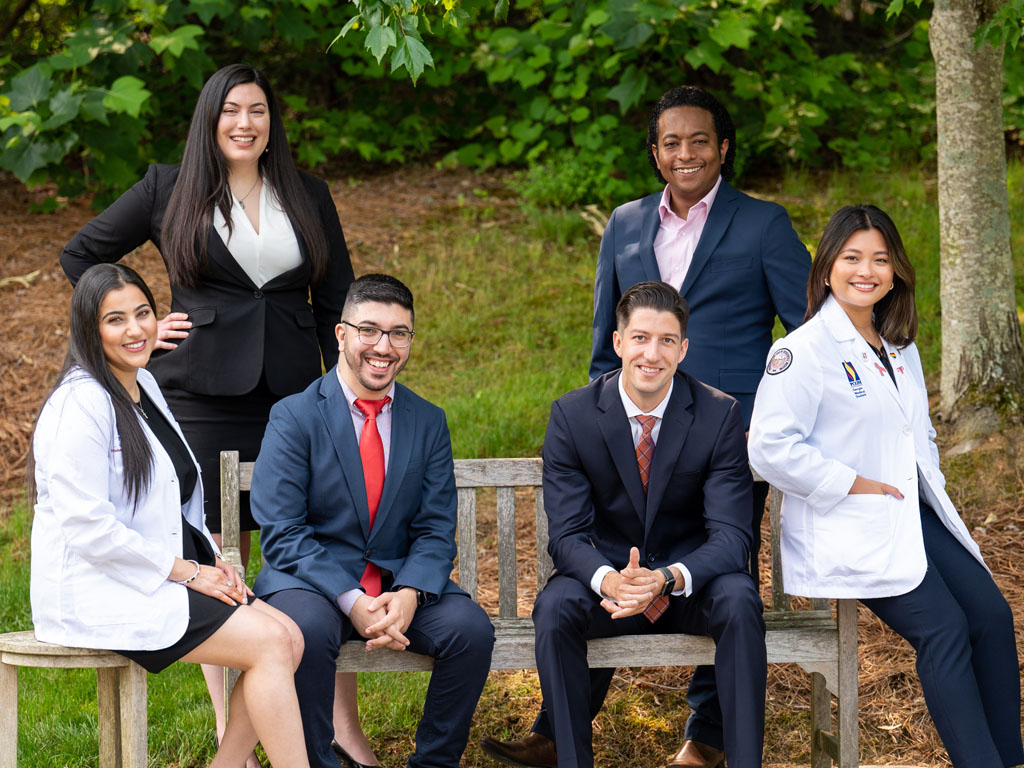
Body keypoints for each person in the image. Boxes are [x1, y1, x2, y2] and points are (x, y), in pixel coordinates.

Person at [486, 86, 809, 768]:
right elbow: (608, 341)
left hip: (725, 438)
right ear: (654, 152)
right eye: (671, 142)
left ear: (723, 148)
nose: (685, 153)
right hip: (631, 429)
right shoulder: (627, 222)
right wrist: (602, 416)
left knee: (720, 572)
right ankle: (558, 730)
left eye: (700, 140)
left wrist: (767, 422)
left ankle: (708, 738)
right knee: (616, 559)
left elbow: (804, 339)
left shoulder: (764, 224)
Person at [58, 63, 359, 765]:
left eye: (257, 110)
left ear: (271, 120)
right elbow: (85, 254)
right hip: (197, 397)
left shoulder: (309, 194)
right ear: (210, 119)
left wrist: (332, 386)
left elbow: (337, 299)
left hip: (290, 399)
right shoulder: (169, 186)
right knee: (218, 554)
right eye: (231, 111)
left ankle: (343, 729)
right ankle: (238, 733)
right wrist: (144, 323)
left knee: (307, 549)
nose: (245, 124)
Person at [748, 205, 1024, 768]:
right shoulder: (800, 352)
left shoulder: (899, 345)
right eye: (852, 258)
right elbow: (769, 447)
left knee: (992, 619)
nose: (866, 270)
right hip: (851, 522)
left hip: (911, 515)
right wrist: (852, 484)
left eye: (880, 258)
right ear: (826, 267)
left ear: (896, 270)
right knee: (944, 630)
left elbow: (917, 430)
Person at [29, 263, 309, 768]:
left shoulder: (145, 387)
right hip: (100, 588)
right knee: (270, 643)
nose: (135, 330)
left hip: (155, 573)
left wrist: (216, 560)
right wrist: (189, 573)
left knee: (290, 637)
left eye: (143, 313)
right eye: (115, 320)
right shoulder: (79, 404)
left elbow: (175, 502)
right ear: (88, 329)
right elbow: (90, 529)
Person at [485, 281, 766, 768]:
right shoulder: (573, 416)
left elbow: (732, 537)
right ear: (618, 343)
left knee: (740, 600)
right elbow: (568, 535)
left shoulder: (719, 415)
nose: (651, 353)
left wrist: (665, 578)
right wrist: (610, 579)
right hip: (609, 588)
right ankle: (567, 756)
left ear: (683, 348)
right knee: (555, 607)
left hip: (687, 588)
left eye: (665, 340)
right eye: (639, 338)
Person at [250, 273, 495, 768]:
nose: (383, 346)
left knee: (471, 630)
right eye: (370, 330)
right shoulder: (294, 416)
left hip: (396, 585)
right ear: (341, 334)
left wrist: (408, 594)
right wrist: (351, 599)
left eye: (399, 333)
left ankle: (433, 764)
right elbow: (283, 532)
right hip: (312, 586)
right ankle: (318, 761)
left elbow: (434, 526)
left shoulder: (427, 421)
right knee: (303, 633)